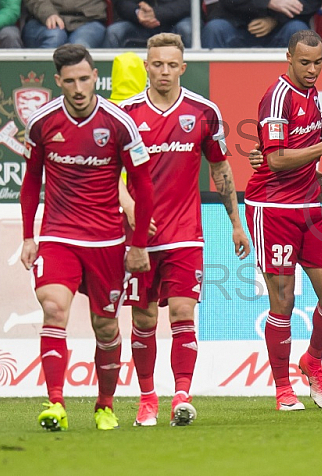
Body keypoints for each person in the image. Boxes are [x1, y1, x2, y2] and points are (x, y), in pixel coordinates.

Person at [117, 33, 250, 426]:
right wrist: (129, 205)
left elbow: (220, 168)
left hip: (186, 233)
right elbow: (107, 171)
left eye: (171, 64)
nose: (164, 71)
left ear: (183, 67)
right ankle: (146, 399)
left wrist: (236, 223)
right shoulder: (125, 114)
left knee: (182, 311)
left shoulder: (203, 111)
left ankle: (181, 396)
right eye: (157, 64)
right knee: (142, 319)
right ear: (146, 65)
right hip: (141, 238)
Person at [20, 44, 154, 431]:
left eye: (85, 78)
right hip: (59, 235)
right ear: (58, 81)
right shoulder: (42, 123)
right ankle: (56, 403)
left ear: (96, 77)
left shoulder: (118, 123)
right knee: (54, 309)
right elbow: (31, 181)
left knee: (106, 327)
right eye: (70, 81)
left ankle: (104, 405)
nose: (78, 88)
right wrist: (30, 236)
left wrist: (138, 243)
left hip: (107, 240)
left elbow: (143, 187)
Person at [244, 30, 322, 411]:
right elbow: (275, 159)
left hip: (309, 206)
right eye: (305, 62)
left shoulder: (314, 94)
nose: (312, 70)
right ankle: (283, 388)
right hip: (272, 209)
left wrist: (315, 168)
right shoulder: (277, 96)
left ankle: (312, 360)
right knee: (283, 302)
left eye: (318, 63)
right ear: (288, 57)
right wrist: (319, 149)